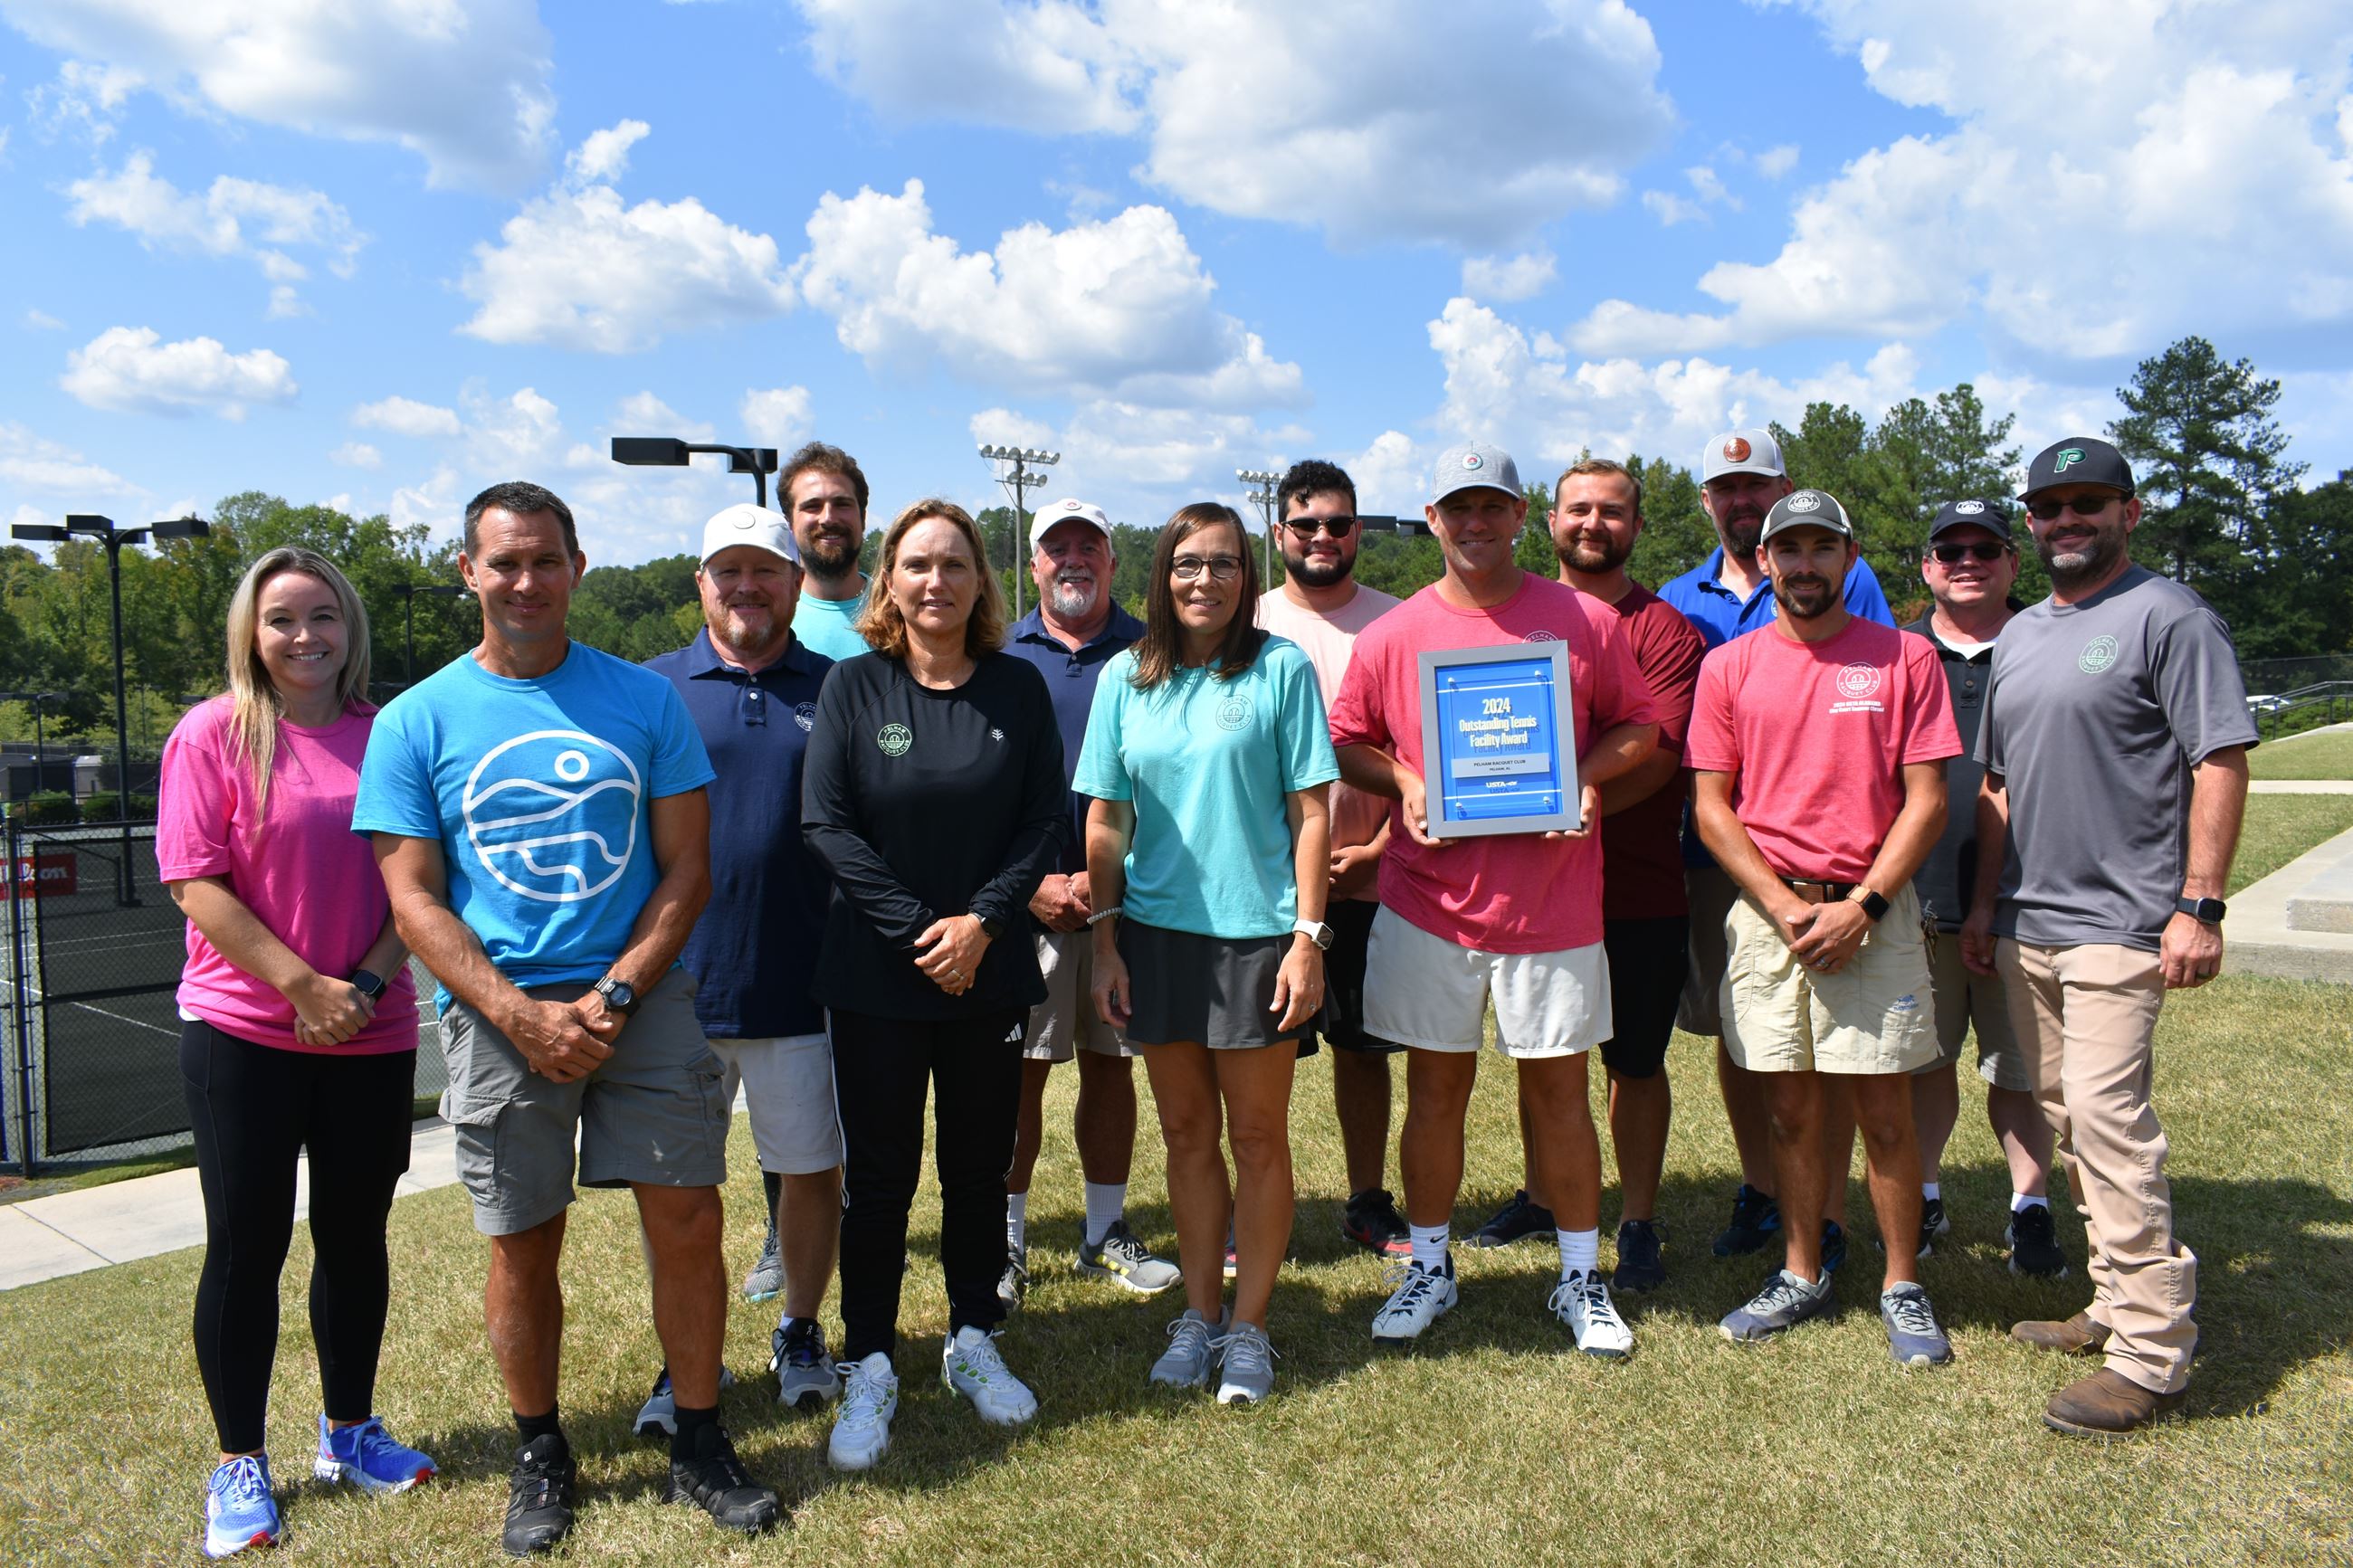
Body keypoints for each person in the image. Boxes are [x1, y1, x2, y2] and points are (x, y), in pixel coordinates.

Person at [357, 481, 778, 1554]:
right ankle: (541, 1448)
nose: (526, 580)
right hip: (497, 1013)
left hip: (640, 999)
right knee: (521, 1236)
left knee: (688, 1220)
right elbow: (413, 898)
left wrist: (615, 992)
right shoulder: (416, 719)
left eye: (545, 559)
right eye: (504, 561)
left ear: (577, 567)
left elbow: (687, 869)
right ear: (468, 571)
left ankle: (698, 1436)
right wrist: (518, 1012)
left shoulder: (643, 700)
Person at [1328, 442, 1659, 1358]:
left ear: (1520, 516)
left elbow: (1639, 725)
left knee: (1559, 1094)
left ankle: (1580, 1276)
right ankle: (1430, 1266)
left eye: (1491, 506)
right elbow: (1346, 739)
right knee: (1434, 1091)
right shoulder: (1393, 632)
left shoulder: (1584, 619)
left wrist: (1584, 776)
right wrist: (1406, 781)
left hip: (1551, 905)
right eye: (1457, 508)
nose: (1474, 523)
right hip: (1427, 902)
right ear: (1432, 518)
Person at [1961, 436, 2255, 1436]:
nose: (2067, 519)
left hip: (2121, 923)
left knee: (2106, 1118)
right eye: (2049, 505)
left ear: (2129, 511)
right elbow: (1998, 785)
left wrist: (2199, 903)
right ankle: (2112, 1300)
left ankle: (2151, 1355)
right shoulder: (2020, 635)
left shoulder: (2169, 616)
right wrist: (1984, 906)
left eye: (2088, 501)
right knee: (2065, 1116)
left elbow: (2218, 757)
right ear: (2030, 522)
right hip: (2027, 923)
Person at [158, 548, 433, 1559]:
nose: (305, 635)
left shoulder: (390, 732)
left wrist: (361, 985)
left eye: (323, 615)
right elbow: (195, 880)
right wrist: (302, 987)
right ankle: (239, 1460)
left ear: (349, 626)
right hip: (243, 1033)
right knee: (248, 1246)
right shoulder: (211, 733)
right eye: (282, 619)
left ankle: (349, 1431)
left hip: (372, 1029)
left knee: (355, 1236)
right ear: (252, 632)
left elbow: (422, 879)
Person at [801, 499, 1069, 1470]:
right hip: (877, 977)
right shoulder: (853, 684)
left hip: (987, 973)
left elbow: (1042, 821)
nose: (935, 581)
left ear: (980, 580)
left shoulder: (1017, 687)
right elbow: (826, 824)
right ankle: (870, 1356)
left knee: (976, 1168)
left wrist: (982, 923)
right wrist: (924, 930)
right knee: (879, 1178)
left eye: (954, 563)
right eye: (917, 564)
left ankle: (972, 1335)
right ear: (890, 579)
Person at [1686, 489, 1961, 1367]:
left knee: (1884, 1108)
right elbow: (1711, 806)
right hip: (1772, 915)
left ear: (1849, 557)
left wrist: (1864, 905)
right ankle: (1800, 1270)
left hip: (1873, 909)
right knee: (1789, 1108)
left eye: (1821, 548)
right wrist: (1780, 903)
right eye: (1789, 549)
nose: (1804, 565)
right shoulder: (1728, 668)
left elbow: (1927, 800)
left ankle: (1901, 1282)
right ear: (1764, 560)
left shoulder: (1904, 657)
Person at [1076, 501, 1338, 1404]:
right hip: (1154, 941)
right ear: (1162, 574)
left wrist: (1307, 939)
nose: (1205, 579)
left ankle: (1250, 1327)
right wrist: (1105, 941)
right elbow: (1105, 817)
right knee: (1186, 1135)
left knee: (1257, 1137)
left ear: (1245, 575)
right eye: (1188, 562)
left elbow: (1312, 812)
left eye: (1224, 563)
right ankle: (1199, 1314)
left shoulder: (1280, 667)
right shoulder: (1124, 676)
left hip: (1259, 939)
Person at [1659, 429, 1893, 1269]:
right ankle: (1761, 1186)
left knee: (1830, 1036)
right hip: (1716, 849)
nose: (1741, 498)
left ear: (1782, 488)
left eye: (1755, 484)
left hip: (1826, 852)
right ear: (1707, 502)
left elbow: (1872, 695)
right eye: (1725, 488)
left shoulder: (1843, 576)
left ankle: (1825, 1209)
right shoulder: (1676, 597)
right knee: (1744, 1026)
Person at [643, 503, 846, 1416]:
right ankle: (686, 1355)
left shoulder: (842, 687)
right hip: (675, 988)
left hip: (803, 983)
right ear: (700, 584)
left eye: (765, 569)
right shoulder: (651, 689)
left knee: (810, 1171)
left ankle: (800, 1325)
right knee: (675, 1191)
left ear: (796, 583)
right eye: (727, 570)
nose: (746, 586)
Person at [999, 498, 1178, 1304]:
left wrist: (1112, 877)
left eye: (1089, 545)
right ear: (1035, 563)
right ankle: (1004, 1241)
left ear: (1112, 559)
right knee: (1017, 1077)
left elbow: (1170, 783)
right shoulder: (999, 654)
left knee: (1112, 1068)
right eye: (1056, 546)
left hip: (1124, 902)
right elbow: (978, 789)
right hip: (1023, 901)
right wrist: (1030, 883)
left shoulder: (1154, 652)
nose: (1072, 558)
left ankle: (1104, 1230)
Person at [1538, 458, 1708, 1293]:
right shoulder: (1518, 618)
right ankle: (1543, 1196)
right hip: (1535, 885)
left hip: (1635, 886)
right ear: (1551, 521)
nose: (1593, 524)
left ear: (1638, 526)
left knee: (1634, 1063)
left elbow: (1661, 757)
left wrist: (1572, 804)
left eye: (1611, 511)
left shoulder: (1666, 630)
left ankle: (1637, 1217)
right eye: (1578, 509)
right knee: (1546, 1052)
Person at [1902, 500, 2063, 1275]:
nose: (1967, 561)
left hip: (2027, 901)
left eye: (1985, 548)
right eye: (1950, 549)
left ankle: (2031, 1207)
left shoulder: (2049, 642)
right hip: (1917, 897)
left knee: (2022, 1070)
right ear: (1927, 565)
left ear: (2013, 561)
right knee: (1922, 1064)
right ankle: (1923, 1195)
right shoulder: (1897, 652)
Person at [1253, 459, 1409, 1258]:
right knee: (1259, 1056)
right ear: (1278, 530)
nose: (1323, 537)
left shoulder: (1399, 622)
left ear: (1357, 530)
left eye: (1339, 524)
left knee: (1363, 1049)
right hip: (1266, 885)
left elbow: (1421, 754)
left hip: (1373, 875)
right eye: (1306, 523)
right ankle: (1256, 1206)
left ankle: (1366, 1199)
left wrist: (1381, 849)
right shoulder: (1244, 619)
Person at [782, 442, 875, 661]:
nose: (828, 518)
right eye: (812, 506)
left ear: (863, 518)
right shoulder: (772, 616)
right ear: (789, 523)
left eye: (842, 504)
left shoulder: (900, 611)